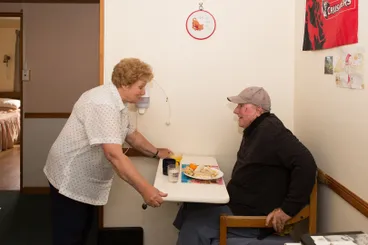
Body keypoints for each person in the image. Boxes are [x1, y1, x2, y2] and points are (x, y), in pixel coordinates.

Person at [43, 58, 172, 245]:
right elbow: (114, 154)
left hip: (85, 175)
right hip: (70, 175)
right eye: (141, 87)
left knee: (85, 225)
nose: (143, 92)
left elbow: (131, 134)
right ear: (125, 84)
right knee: (70, 232)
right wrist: (146, 190)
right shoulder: (103, 103)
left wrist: (156, 152)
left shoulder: (118, 102)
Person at [173, 86, 317, 245]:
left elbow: (307, 164)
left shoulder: (271, 130)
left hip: (253, 216)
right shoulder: (255, 129)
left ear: (258, 109)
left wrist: (287, 210)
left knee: (193, 225)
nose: (236, 110)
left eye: (241, 106)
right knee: (189, 208)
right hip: (238, 204)